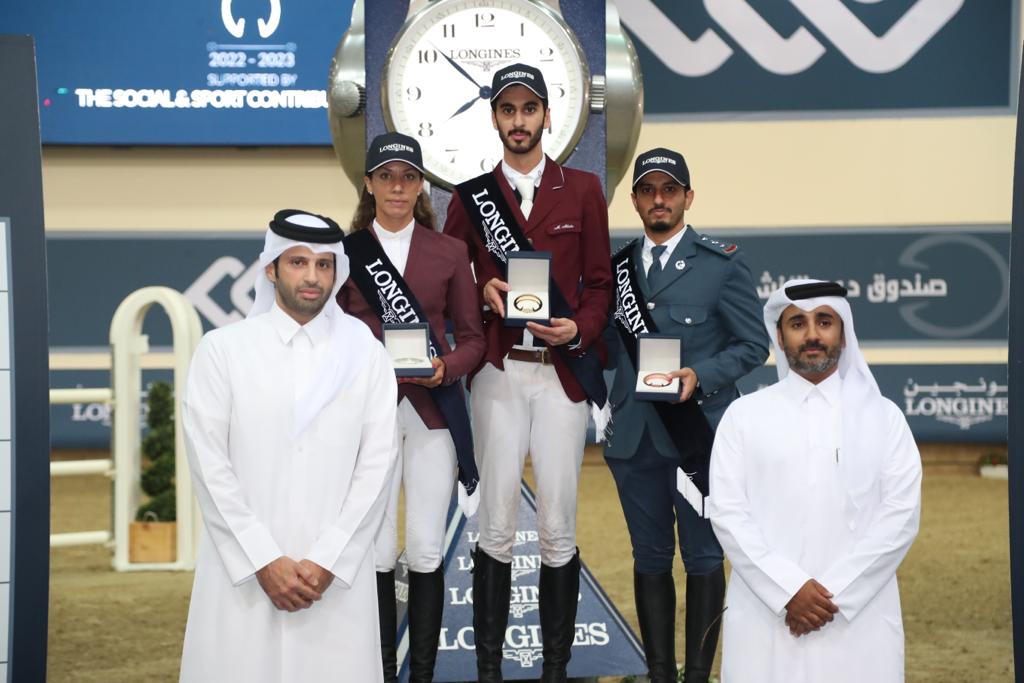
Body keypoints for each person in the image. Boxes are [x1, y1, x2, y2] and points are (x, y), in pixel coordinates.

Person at [443, 63, 612, 682]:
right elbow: (450, 275)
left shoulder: (585, 189)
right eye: (507, 110)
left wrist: (581, 329)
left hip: (562, 374)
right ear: (494, 118)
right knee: (495, 524)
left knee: (558, 525)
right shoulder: (468, 197)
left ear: (547, 115)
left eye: (529, 109)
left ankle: (555, 670)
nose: (519, 121)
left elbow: (599, 286)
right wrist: (479, 285)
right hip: (499, 372)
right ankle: (490, 670)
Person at [178, 210, 397, 683]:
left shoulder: (367, 353)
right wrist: (263, 560)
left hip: (333, 580)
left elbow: (378, 467)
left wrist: (327, 559)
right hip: (244, 576)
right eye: (298, 263)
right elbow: (209, 466)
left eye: (324, 264)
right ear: (271, 269)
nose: (312, 277)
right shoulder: (223, 350)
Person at [604, 148, 769, 683]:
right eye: (648, 190)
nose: (659, 199)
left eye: (669, 190)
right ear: (635, 201)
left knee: (702, 559)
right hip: (635, 440)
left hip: (702, 437)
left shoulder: (721, 265)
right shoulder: (616, 268)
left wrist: (701, 374)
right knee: (649, 558)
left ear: (687, 198)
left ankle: (697, 675)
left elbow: (753, 345)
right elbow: (606, 347)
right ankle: (660, 675)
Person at [710, 279, 922, 682]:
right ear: (780, 336)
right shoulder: (745, 416)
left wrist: (832, 596)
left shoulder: (884, 417)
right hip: (767, 617)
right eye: (797, 324)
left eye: (824, 322)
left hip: (857, 620)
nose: (811, 335)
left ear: (843, 335)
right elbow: (728, 515)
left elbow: (901, 516)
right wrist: (788, 591)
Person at [338, 132, 486, 683]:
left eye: (407, 177)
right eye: (386, 177)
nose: (397, 187)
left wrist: (448, 367)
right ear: (369, 184)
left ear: (421, 184)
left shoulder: (450, 252)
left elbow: (473, 338)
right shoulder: (345, 252)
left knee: (424, 546)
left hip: (431, 412)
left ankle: (420, 673)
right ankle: (377, 671)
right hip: (368, 415)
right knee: (375, 547)